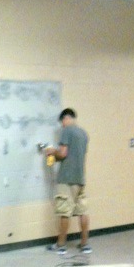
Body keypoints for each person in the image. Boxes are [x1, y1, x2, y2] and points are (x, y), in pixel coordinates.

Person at [45, 108, 91, 255]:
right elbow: (72, 155)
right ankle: (85, 245)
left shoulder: (67, 130)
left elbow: (63, 153)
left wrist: (52, 151)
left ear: (65, 118)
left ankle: (61, 245)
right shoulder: (83, 133)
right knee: (83, 211)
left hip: (67, 178)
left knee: (64, 211)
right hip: (80, 178)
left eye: (62, 122)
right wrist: (56, 155)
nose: (62, 125)